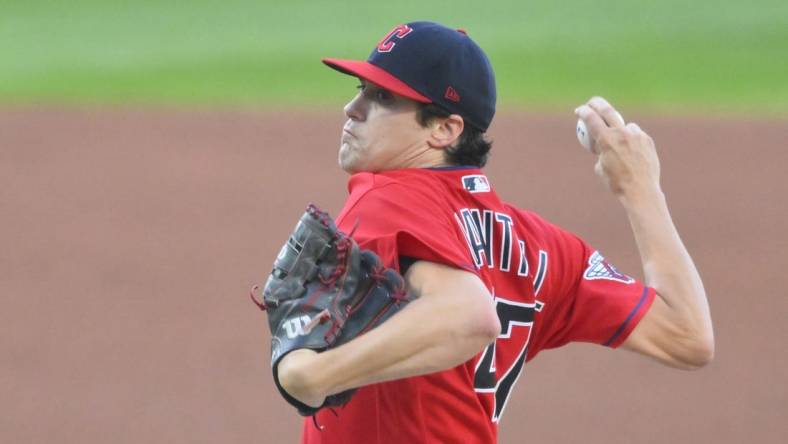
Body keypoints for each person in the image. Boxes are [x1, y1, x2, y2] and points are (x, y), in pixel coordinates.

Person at [274, 21, 714, 443]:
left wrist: (311, 376)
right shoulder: (542, 246)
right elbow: (687, 334)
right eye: (361, 89)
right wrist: (640, 190)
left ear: (445, 129)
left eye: (383, 97)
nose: (353, 109)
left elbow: (470, 315)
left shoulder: (385, 197)